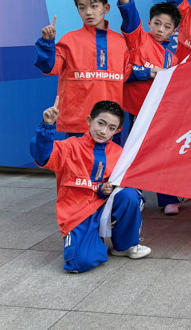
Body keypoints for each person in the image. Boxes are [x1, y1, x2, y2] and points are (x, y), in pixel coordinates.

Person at [30, 99, 151, 273]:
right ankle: (92, 240)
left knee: (131, 194)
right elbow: (42, 156)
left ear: (117, 131)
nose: (103, 131)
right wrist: (47, 126)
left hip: (104, 208)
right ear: (89, 120)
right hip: (77, 213)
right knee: (80, 263)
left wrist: (107, 189)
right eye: (101, 123)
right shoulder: (69, 147)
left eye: (111, 128)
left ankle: (125, 245)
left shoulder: (119, 154)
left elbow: (125, 184)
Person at [112, 0, 184, 215]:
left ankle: (168, 198)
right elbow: (130, 15)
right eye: (157, 23)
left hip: (158, 114)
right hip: (134, 111)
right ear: (149, 23)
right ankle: (134, 196)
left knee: (162, 153)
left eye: (167, 26)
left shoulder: (173, 58)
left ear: (174, 31)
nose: (161, 29)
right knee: (133, 153)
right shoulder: (138, 39)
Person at [35, 0, 130, 137]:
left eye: (94, 6)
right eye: (82, 8)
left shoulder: (121, 42)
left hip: (111, 124)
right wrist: (47, 43)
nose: (88, 12)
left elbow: (129, 75)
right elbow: (49, 67)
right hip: (77, 123)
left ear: (106, 8)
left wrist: (152, 72)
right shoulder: (69, 40)